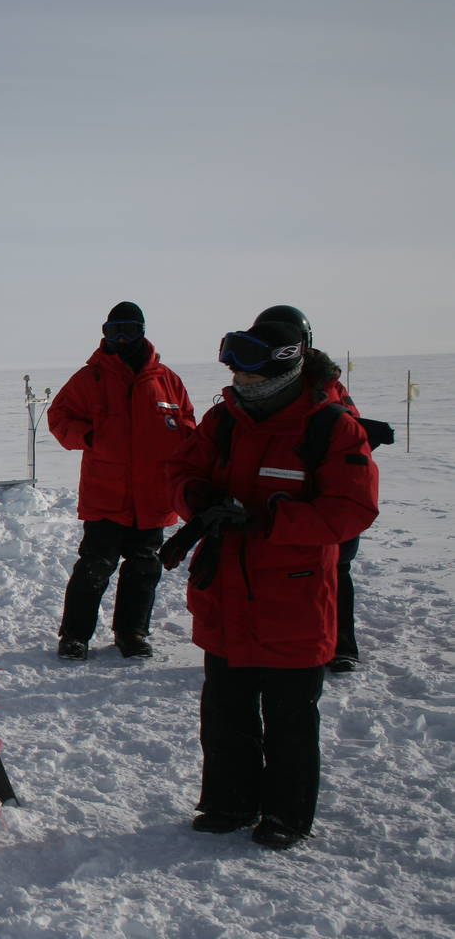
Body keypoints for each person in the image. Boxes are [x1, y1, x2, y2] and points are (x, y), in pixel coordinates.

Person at [165, 314, 378, 849]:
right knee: (225, 709)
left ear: (285, 366)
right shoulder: (225, 420)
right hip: (226, 593)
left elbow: (351, 509)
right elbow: (182, 471)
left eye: (251, 376)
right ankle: (228, 802)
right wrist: (199, 499)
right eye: (237, 374)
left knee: (290, 717)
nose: (240, 383)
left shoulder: (331, 427)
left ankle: (286, 813)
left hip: (293, 599)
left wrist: (267, 521)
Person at [47, 302, 196, 661]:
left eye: (129, 330)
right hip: (106, 493)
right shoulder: (90, 378)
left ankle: (132, 634)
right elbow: (59, 418)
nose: (122, 339)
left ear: (142, 332)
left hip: (153, 497)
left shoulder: (166, 380)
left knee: (144, 567)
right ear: (105, 333)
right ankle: (75, 636)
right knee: (95, 565)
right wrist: (90, 436)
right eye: (115, 331)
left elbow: (188, 427)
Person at [252, 305, 388, 673]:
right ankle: (277, 644)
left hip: (327, 499)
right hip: (281, 496)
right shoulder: (258, 387)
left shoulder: (327, 388)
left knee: (336, 569)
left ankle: (340, 645)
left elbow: (350, 436)